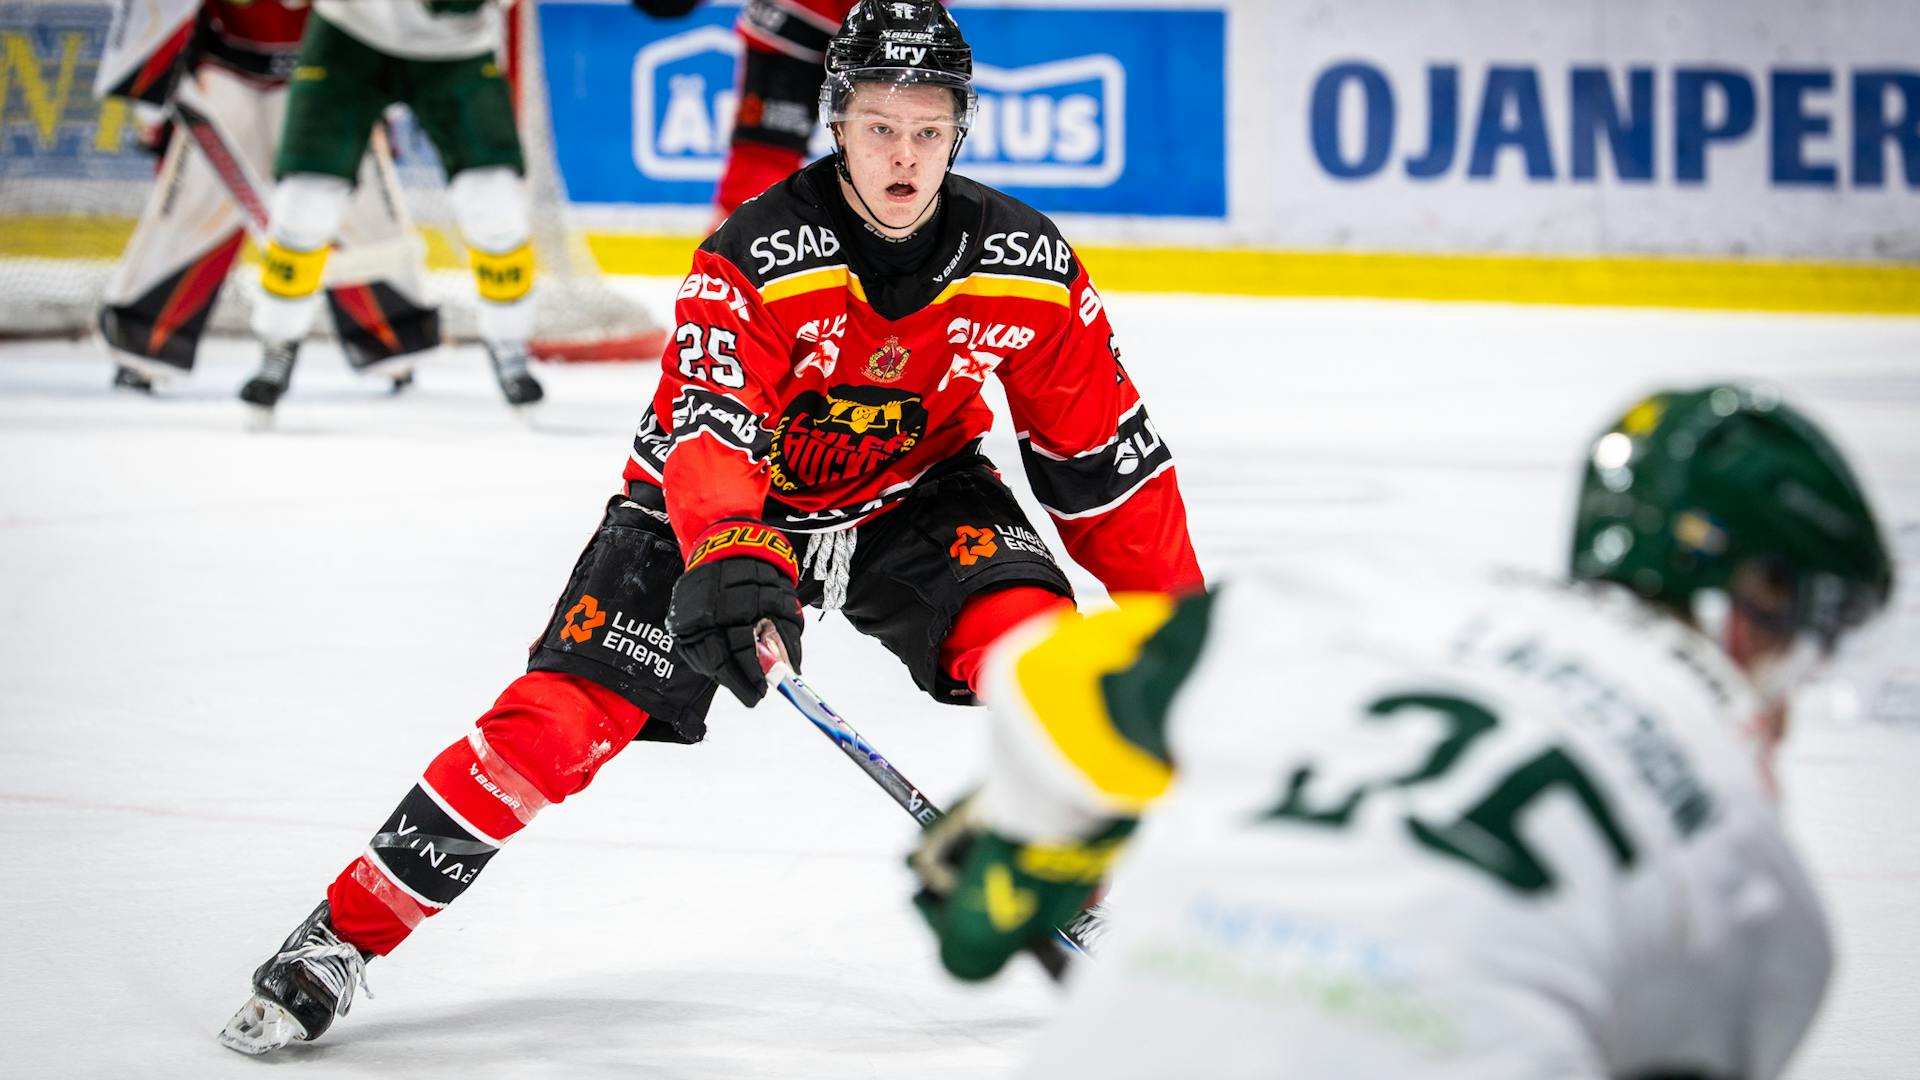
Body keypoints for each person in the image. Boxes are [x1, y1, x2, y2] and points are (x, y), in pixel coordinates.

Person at [216, 0, 1203, 1056]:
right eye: (880, 126)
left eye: (929, 129)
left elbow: (1104, 463)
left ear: (961, 129)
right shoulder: (757, 251)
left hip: (915, 497)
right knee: (556, 726)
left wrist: (1184, 634)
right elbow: (715, 432)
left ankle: (1079, 894)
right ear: (837, 122)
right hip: (717, 511)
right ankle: (342, 934)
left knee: (1048, 665)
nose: (904, 156)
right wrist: (731, 546)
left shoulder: (1026, 260)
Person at [909, 384, 1895, 1079]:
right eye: (1803, 640)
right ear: (1747, 611)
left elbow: (1050, 673)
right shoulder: (1762, 891)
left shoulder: (1370, 605)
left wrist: (1026, 852)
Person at [96, 0, 438, 396]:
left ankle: (395, 341)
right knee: (194, 209)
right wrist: (149, 101)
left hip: (330, 71)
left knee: (361, 209)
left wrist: (388, 85)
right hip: (224, 76)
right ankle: (144, 345)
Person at [242, 0, 542, 422]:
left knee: (494, 200)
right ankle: (277, 342)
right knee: (305, 200)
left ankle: (510, 344)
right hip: (349, 32)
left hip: (457, 48)